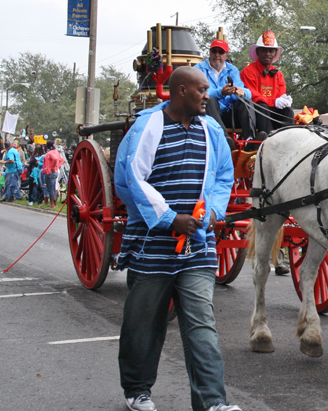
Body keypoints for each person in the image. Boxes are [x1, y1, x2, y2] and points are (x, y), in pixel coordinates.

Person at [114, 66, 240, 411]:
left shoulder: (211, 129)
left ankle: (213, 402)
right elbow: (132, 179)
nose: (207, 95)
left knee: (202, 326)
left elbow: (224, 177)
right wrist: (170, 218)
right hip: (151, 248)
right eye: (201, 90)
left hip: (197, 247)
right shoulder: (147, 127)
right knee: (144, 323)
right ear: (181, 91)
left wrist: (212, 212)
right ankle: (137, 391)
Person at [195, 39, 259, 144]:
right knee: (210, 100)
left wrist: (240, 92)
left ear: (226, 55)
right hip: (207, 114)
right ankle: (224, 140)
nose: (216, 55)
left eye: (220, 52)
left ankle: (250, 140)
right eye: (214, 51)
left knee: (246, 101)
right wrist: (221, 92)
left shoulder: (232, 70)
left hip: (228, 114)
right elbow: (200, 93)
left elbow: (247, 91)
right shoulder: (199, 69)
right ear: (209, 52)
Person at [240, 30, 294, 134]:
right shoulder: (248, 71)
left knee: (288, 111)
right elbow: (253, 96)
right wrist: (274, 102)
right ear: (257, 52)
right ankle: (268, 139)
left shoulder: (278, 74)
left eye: (271, 51)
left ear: (275, 53)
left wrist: (285, 100)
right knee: (262, 106)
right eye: (264, 50)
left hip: (272, 112)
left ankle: (287, 138)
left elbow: (281, 95)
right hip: (255, 113)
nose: (267, 54)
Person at [42, 140, 65, 209]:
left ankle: (52, 204)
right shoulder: (56, 152)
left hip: (50, 172)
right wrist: (57, 166)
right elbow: (62, 159)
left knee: (50, 189)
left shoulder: (50, 153)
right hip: (55, 172)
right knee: (53, 188)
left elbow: (55, 159)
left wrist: (53, 167)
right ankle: (54, 204)